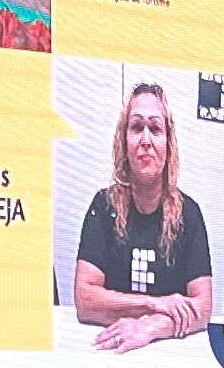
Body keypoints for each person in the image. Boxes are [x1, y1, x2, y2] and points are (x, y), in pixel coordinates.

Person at [71, 80, 215, 354]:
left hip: (168, 353)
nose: (146, 140)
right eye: (137, 127)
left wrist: (152, 328)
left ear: (168, 144)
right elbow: (84, 300)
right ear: (124, 141)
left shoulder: (190, 213)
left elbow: (203, 307)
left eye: (156, 129)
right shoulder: (103, 206)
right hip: (111, 348)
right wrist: (153, 303)